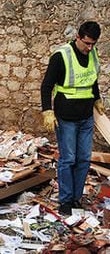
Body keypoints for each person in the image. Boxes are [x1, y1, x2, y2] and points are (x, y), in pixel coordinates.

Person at [41, 21, 104, 215]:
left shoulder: (92, 54)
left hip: (86, 116)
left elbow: (91, 79)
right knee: (68, 159)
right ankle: (66, 201)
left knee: (83, 159)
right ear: (78, 37)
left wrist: (97, 98)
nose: (90, 47)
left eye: (93, 44)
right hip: (66, 116)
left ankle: (76, 198)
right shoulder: (62, 56)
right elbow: (46, 86)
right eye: (86, 43)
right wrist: (47, 111)